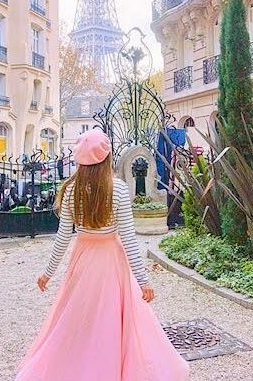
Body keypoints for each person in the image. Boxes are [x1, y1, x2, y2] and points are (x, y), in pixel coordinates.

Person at [15, 128, 189, 381]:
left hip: (83, 259)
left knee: (77, 317)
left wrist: (47, 273)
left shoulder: (70, 190)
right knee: (110, 321)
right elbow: (129, 238)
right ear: (107, 157)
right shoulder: (117, 189)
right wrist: (144, 281)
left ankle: (77, 366)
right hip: (111, 261)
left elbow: (63, 237)